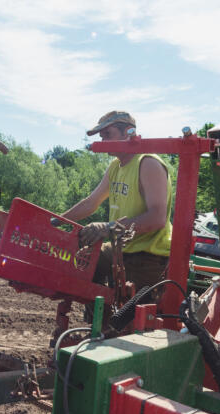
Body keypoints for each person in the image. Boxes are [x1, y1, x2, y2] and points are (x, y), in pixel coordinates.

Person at [61, 110, 172, 299]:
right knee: (79, 265)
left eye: (107, 135)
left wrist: (109, 227)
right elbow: (91, 203)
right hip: (121, 249)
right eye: (102, 137)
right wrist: (54, 221)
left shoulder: (147, 163)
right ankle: (97, 318)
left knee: (125, 317)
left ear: (128, 132)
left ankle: (108, 323)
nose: (103, 142)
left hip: (147, 256)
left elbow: (156, 218)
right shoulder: (115, 166)